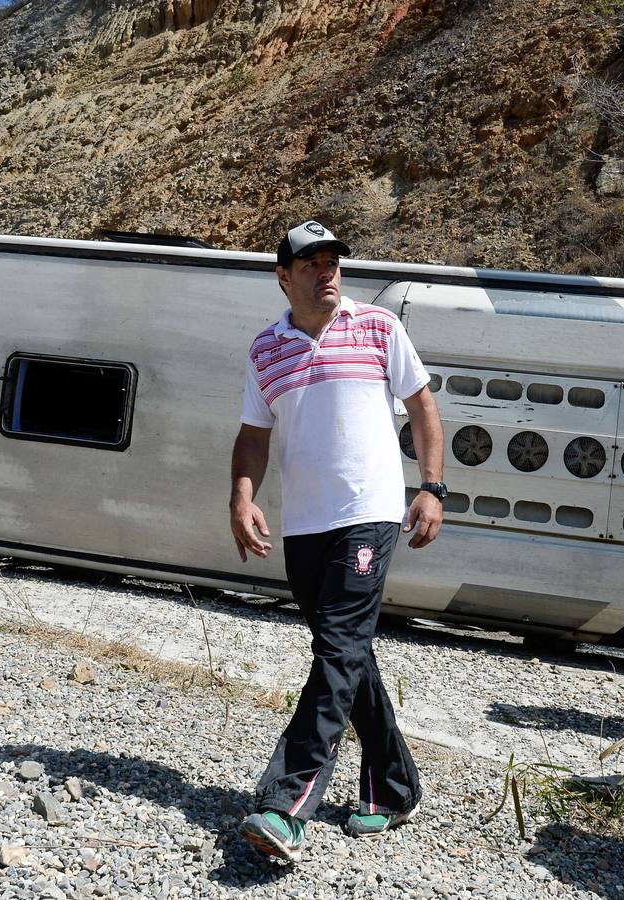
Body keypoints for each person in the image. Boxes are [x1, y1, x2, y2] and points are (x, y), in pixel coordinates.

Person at [229, 220, 445, 862]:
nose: (327, 271)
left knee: (336, 654)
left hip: (368, 515)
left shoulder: (379, 327)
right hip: (304, 525)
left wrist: (432, 487)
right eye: (311, 262)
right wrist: (241, 497)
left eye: (333, 261)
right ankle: (394, 785)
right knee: (345, 653)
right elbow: (253, 436)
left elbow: (424, 407)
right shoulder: (266, 349)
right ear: (284, 276)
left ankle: (287, 804)